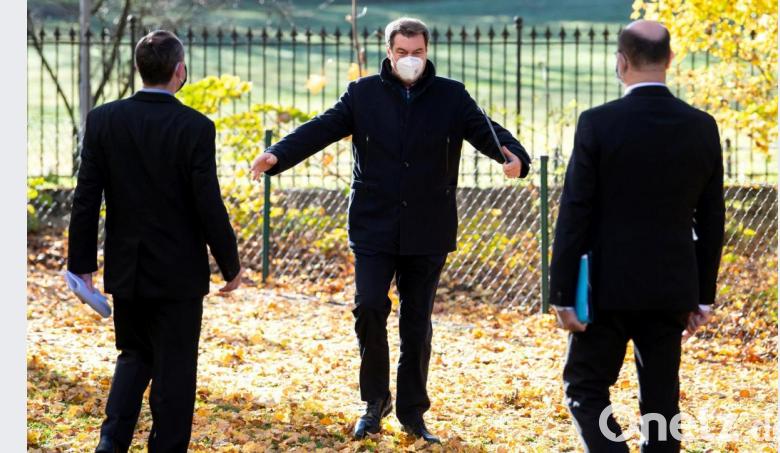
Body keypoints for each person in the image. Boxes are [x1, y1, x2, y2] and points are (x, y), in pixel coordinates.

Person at [250, 17, 531, 444]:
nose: (410, 60)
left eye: (417, 52)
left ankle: (413, 413)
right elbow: (321, 129)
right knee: (368, 308)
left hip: (428, 228)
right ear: (389, 52)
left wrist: (516, 160)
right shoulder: (362, 94)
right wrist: (276, 156)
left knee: (416, 324)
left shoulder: (451, 96)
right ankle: (373, 402)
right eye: (402, 52)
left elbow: (489, 133)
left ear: (427, 50)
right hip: (373, 225)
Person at [549, 20, 725, 453]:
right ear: (669, 60)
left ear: (621, 62)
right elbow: (712, 218)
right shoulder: (702, 126)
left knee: (586, 389)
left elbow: (575, 212)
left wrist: (562, 293)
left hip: (605, 287)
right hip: (671, 286)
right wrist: (703, 295)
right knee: (662, 402)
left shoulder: (598, 124)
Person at [67, 30, 243, 453]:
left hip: (128, 266)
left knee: (133, 355)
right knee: (176, 370)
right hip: (180, 272)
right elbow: (208, 204)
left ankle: (111, 444)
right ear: (180, 71)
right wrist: (230, 264)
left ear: (139, 68)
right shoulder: (196, 127)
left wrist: (81, 263)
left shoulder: (104, 119)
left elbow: (86, 196)